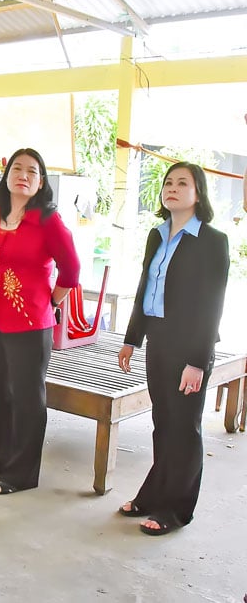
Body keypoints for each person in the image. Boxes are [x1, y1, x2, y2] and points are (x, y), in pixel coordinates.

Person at [0, 147, 80, 495]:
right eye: (17, 168)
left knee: (28, 397)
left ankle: (23, 473)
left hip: (30, 323)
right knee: (2, 394)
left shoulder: (47, 221)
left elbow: (71, 269)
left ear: (40, 183)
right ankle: (2, 455)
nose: (23, 175)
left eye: (32, 171)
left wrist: (51, 302)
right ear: (7, 174)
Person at [117, 162, 229, 536]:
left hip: (189, 346)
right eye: (168, 182)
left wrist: (197, 361)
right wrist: (132, 338)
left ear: (199, 193)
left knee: (184, 428)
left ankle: (177, 509)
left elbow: (212, 305)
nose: (173, 188)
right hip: (158, 341)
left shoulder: (212, 241)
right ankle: (153, 495)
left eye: (183, 182)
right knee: (163, 425)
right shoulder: (157, 235)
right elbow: (145, 290)